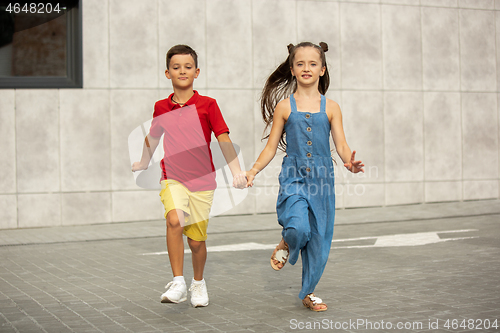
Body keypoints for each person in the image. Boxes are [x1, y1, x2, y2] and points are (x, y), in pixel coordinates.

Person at [245, 42, 364, 311]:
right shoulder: (284, 107)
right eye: (300, 63)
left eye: (312, 64)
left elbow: (342, 144)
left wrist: (349, 162)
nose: (306, 68)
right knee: (298, 227)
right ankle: (288, 239)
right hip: (294, 177)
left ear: (322, 70)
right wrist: (253, 170)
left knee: (320, 239)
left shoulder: (332, 107)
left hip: (323, 180)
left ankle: (308, 292)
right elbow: (270, 147)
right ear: (292, 69)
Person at [132, 44, 246, 307]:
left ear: (197, 72)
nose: (181, 71)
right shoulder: (161, 107)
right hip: (172, 176)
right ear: (167, 73)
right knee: (174, 220)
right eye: (175, 67)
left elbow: (223, 138)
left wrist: (237, 172)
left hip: (202, 182)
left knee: (196, 242)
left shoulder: (208, 105)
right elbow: (152, 138)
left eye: (187, 67)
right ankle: (178, 281)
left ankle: (198, 283)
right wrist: (143, 162)